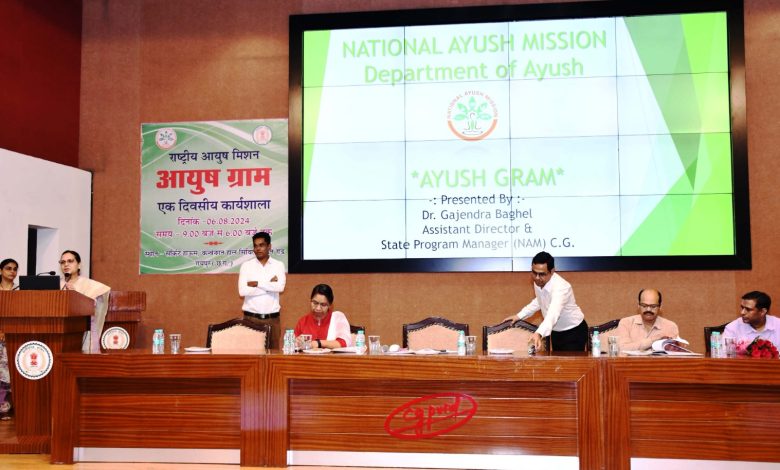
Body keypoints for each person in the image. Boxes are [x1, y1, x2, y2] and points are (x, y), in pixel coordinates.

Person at [503, 251, 588, 351]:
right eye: (534, 273)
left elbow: (553, 313)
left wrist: (539, 333)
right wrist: (519, 316)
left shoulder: (561, 287)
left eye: (542, 274)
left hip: (574, 331)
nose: (537, 278)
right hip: (556, 331)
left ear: (552, 271)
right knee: (557, 361)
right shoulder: (539, 282)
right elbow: (539, 301)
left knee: (570, 362)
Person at [238, 232, 286, 350]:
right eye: (255, 246)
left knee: (273, 356)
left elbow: (280, 287)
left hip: (272, 320)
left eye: (261, 245)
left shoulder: (278, 265)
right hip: (251, 319)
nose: (258, 249)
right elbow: (242, 291)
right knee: (251, 356)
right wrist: (269, 286)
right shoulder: (246, 266)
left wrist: (257, 284)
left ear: (269, 246)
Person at [59, 250, 111, 353]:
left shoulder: (89, 285)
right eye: (62, 262)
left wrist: (76, 294)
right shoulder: (57, 284)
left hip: (80, 332)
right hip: (59, 332)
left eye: (70, 261)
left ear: (79, 265)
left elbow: (96, 305)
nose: (66, 264)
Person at [613, 289, 679, 351]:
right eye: (644, 305)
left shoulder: (670, 326)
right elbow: (622, 349)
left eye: (653, 306)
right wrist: (653, 340)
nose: (648, 309)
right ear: (638, 305)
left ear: (660, 306)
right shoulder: (626, 323)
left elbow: (674, 353)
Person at [294, 284, 352, 349]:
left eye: (323, 305)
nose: (318, 308)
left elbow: (344, 343)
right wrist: (296, 342)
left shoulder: (337, 318)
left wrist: (318, 343)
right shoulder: (303, 321)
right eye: (315, 303)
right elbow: (293, 345)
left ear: (330, 305)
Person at [0, 258, 18, 419]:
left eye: (14, 269)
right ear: (0, 271)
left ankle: (7, 406)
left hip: (14, 336)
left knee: (10, 372)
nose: (12, 271)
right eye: (8, 268)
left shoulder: (20, 291)